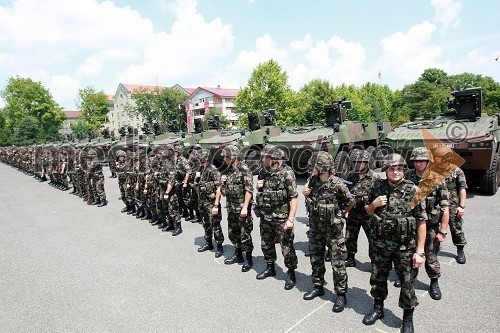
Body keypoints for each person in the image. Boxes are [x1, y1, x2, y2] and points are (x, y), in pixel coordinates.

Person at [362, 153, 427, 333]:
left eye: (399, 168)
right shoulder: (378, 187)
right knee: (378, 279)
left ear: (404, 170)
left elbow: (422, 222)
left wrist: (420, 252)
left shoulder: (413, 190)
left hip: (404, 247)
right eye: (392, 169)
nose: (396, 172)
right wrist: (374, 204)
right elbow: (367, 211)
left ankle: (407, 318)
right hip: (380, 245)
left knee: (407, 283)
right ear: (386, 171)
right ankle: (378, 308)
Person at [302, 151, 354, 312]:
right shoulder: (313, 181)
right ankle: (318, 286)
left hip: (333, 231)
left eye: (315, 166)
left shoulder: (338, 184)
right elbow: (311, 200)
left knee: (337, 263)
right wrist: (306, 193)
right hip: (316, 229)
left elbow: (350, 202)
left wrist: (340, 214)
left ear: (323, 167)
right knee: (316, 259)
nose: (312, 169)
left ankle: (340, 294)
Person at [406, 147, 449, 300]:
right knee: (410, 253)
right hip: (411, 224)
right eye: (416, 161)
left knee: (430, 255)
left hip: (431, 224)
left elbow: (445, 207)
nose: (419, 164)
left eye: (422, 161)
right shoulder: (407, 177)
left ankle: (434, 281)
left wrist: (443, 231)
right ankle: (409, 277)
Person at [255, 145, 299, 289]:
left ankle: (291, 273)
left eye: (264, 157)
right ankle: (270, 267)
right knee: (266, 244)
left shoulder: (287, 173)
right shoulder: (263, 172)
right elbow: (262, 192)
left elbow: (294, 197)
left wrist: (291, 219)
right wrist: (258, 187)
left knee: (286, 247)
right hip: (266, 216)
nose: (262, 159)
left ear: (273, 158)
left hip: (281, 218)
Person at [220, 144, 254, 271]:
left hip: (241, 209)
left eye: (226, 157)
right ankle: (238, 255)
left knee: (245, 234)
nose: (224, 159)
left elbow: (249, 190)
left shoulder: (244, 169)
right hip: (231, 208)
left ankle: (248, 259)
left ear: (233, 157)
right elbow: (224, 192)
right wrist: (223, 183)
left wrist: (245, 207)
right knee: (233, 233)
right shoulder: (229, 171)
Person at [432, 146, 468, 264]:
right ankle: (433, 250)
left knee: (455, 227)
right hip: (436, 203)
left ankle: (460, 249)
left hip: (452, 202)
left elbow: (462, 189)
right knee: (432, 227)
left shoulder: (456, 171)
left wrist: (461, 206)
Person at [344, 149, 379, 267]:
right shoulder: (351, 175)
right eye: (356, 162)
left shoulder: (374, 177)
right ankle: (350, 257)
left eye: (361, 162)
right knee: (350, 236)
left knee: (373, 239)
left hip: (368, 213)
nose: (358, 164)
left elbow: (378, 196)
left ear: (367, 162)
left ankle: (375, 262)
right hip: (353, 212)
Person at [196, 149, 224, 257]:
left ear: (207, 159)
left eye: (202, 160)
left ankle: (219, 246)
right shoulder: (201, 169)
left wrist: (216, 205)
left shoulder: (213, 171)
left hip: (211, 203)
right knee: (205, 223)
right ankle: (208, 243)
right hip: (202, 202)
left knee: (215, 225)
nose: (200, 162)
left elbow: (219, 188)